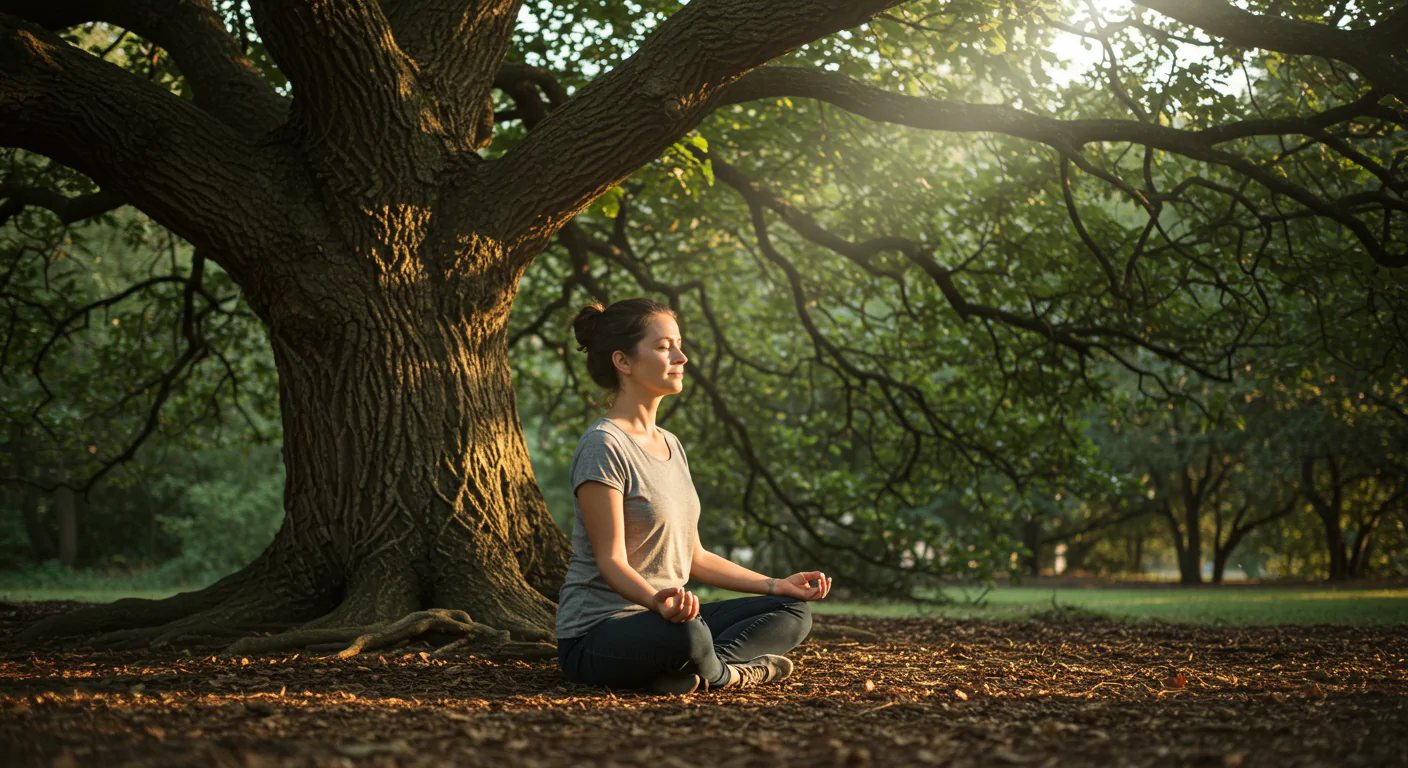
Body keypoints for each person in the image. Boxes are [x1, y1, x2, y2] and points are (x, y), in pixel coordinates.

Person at [556, 297, 833, 694]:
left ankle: (690, 672)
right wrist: (657, 603)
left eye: (679, 344)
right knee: (689, 635)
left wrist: (776, 585)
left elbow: (694, 557)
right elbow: (612, 561)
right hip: (599, 634)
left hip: (669, 619)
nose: (681, 357)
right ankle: (729, 673)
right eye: (664, 346)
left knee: (791, 611)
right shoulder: (604, 445)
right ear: (624, 361)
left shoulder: (671, 444)